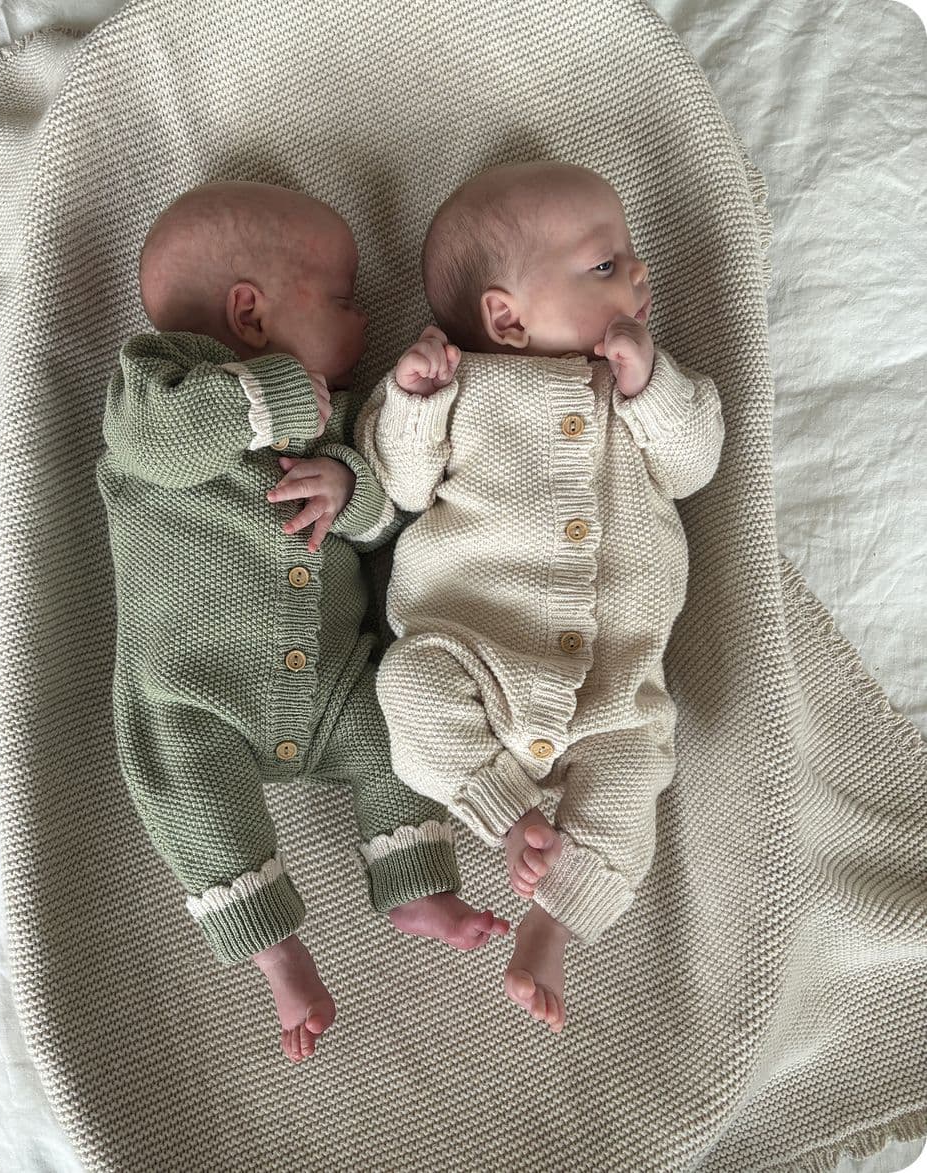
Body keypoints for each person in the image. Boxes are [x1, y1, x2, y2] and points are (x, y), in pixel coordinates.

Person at [96, 180, 508, 1064]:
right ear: (250, 313)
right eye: (346, 299)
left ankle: (414, 881)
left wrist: (349, 489)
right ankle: (274, 949)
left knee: (398, 726)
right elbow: (163, 441)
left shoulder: (331, 435)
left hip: (333, 684)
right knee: (183, 788)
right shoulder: (152, 387)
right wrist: (280, 397)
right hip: (194, 693)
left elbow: (387, 526)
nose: (363, 325)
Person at [356, 161, 724, 1033]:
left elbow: (695, 462)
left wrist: (651, 386)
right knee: (406, 684)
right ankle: (502, 806)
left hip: (614, 687)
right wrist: (410, 401)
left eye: (631, 260)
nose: (638, 276)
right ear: (505, 318)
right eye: (606, 266)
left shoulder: (635, 392)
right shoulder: (459, 388)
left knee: (636, 777)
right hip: (475, 655)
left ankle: (552, 925)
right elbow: (397, 485)